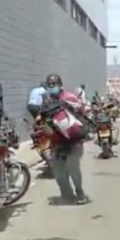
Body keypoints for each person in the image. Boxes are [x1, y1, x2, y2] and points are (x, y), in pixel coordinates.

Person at [42, 74, 88, 205]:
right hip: (57, 142)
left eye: (54, 84)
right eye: (50, 85)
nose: (52, 87)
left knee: (73, 168)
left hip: (74, 141)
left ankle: (80, 193)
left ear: (60, 85)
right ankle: (67, 194)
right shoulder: (47, 101)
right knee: (58, 172)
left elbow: (83, 111)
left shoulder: (69, 97)